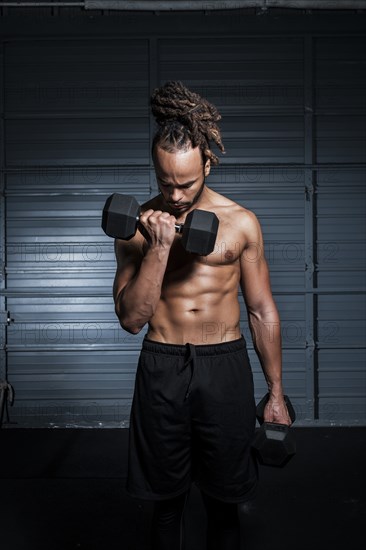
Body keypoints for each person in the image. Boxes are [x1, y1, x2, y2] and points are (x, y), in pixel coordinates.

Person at [113, 81, 291, 550]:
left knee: (223, 499)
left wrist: (276, 392)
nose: (174, 195)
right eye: (165, 182)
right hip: (162, 364)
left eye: (186, 183)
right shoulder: (136, 227)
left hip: (224, 365)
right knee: (165, 501)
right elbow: (132, 320)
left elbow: (261, 308)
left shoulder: (241, 222)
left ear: (207, 164)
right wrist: (158, 249)